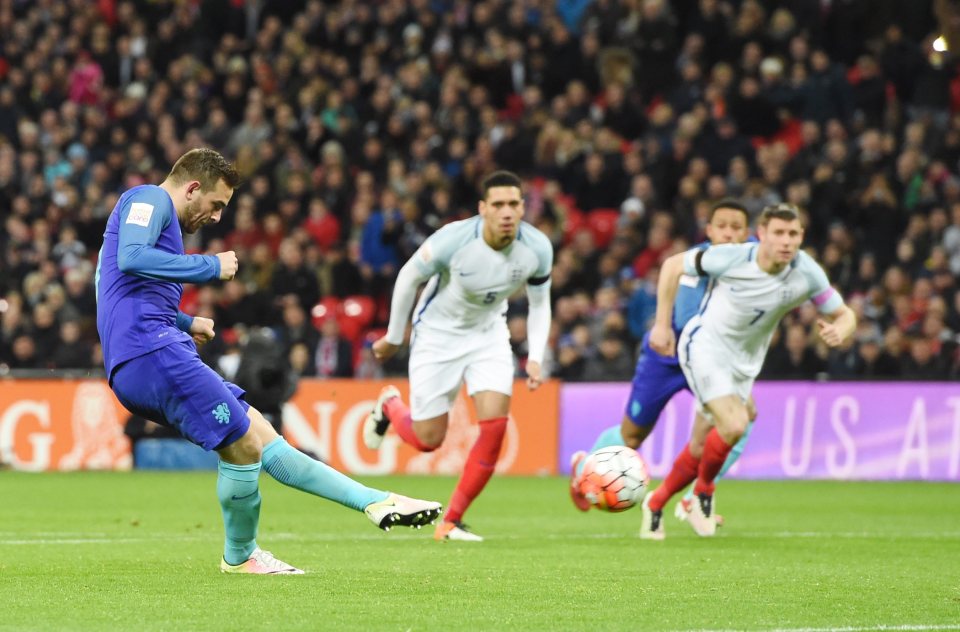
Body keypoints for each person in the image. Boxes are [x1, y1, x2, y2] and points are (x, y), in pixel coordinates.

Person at [96, 148, 441, 574]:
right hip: (151, 352)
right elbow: (130, 258)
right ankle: (240, 557)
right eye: (216, 205)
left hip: (157, 348)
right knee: (242, 446)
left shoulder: (157, 217)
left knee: (262, 435)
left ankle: (374, 501)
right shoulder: (148, 199)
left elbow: (120, 286)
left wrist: (186, 321)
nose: (218, 217)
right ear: (192, 188)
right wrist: (207, 266)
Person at [640, 203, 856, 540]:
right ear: (762, 234)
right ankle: (703, 493)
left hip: (744, 364)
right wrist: (662, 325)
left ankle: (655, 504)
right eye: (779, 233)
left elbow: (844, 314)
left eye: (794, 234)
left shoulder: (807, 272)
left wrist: (841, 329)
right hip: (703, 347)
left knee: (699, 447)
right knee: (736, 421)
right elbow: (671, 266)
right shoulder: (733, 257)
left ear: (801, 237)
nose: (786, 241)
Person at [363, 170, 553, 542]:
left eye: (514, 204)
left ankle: (450, 521)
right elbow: (407, 277)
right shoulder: (453, 240)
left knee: (494, 425)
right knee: (428, 439)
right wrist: (393, 335)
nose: (507, 212)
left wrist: (536, 355)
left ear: (523, 207)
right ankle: (389, 406)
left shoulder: (538, 248)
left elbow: (540, 303)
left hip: (488, 334)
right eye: (498, 204)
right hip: (438, 335)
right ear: (483, 208)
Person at [568, 200, 755, 528]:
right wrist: (662, 325)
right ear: (709, 230)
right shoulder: (698, 261)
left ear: (748, 233)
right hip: (669, 354)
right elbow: (683, 304)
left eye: (736, 226)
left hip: (714, 360)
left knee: (742, 417)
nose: (729, 232)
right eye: (722, 225)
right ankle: (585, 470)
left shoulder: (755, 263)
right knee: (632, 435)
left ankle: (694, 496)